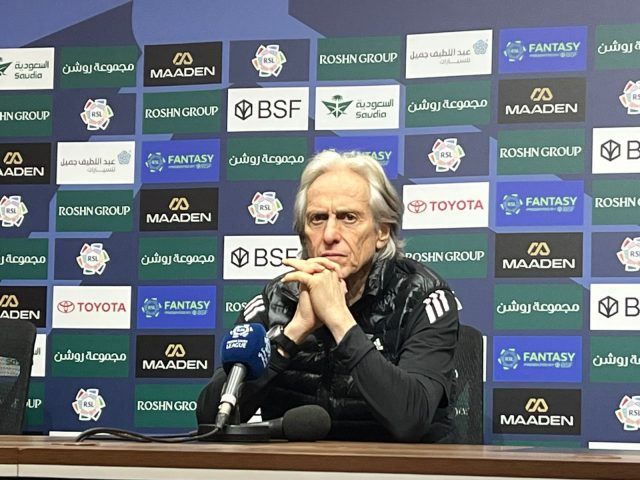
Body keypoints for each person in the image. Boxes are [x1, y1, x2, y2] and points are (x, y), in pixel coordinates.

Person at [196, 150, 460, 442]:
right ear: (303, 234)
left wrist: (339, 320)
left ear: (382, 232)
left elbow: (411, 419)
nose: (330, 234)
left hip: (395, 464)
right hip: (298, 465)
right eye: (318, 218)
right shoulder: (276, 299)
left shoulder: (422, 297)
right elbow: (211, 420)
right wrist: (292, 334)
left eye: (349, 217)